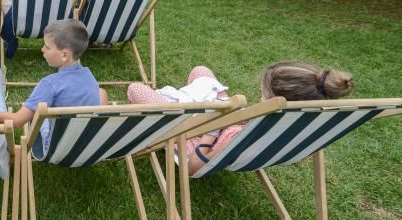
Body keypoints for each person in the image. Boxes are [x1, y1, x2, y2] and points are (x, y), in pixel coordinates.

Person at [127, 62, 354, 175]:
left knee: (136, 89)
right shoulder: (304, 127)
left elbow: (193, 168)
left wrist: (212, 130)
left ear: (275, 99)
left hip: (193, 134)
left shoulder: (240, 135)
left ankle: (167, 105)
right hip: (230, 121)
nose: (259, 94)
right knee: (201, 71)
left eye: (263, 92)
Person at [0, 20, 107, 153]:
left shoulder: (48, 85)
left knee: (37, 111)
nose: (42, 49)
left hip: (56, 149)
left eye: (47, 47)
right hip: (84, 146)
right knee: (101, 92)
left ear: (64, 55)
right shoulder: (90, 78)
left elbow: (17, 122)